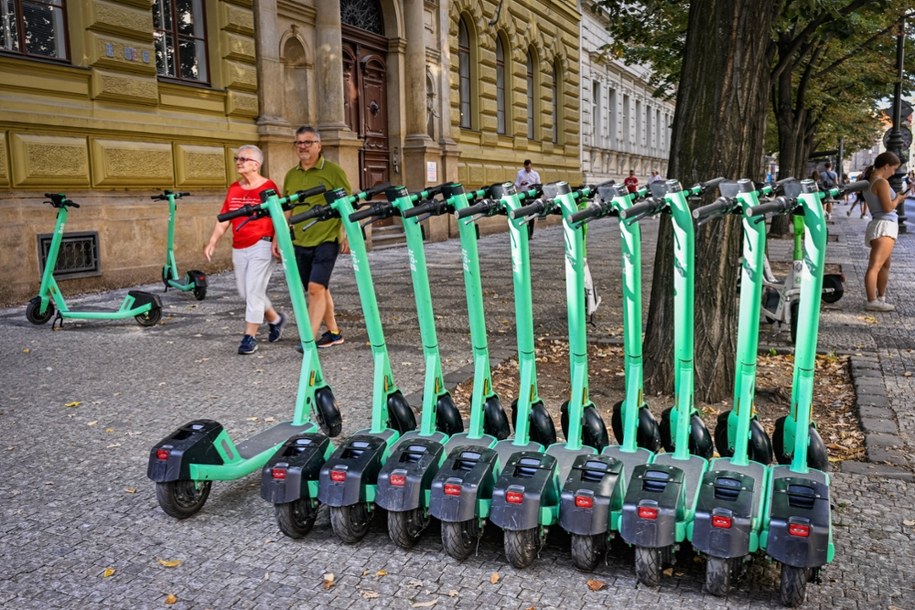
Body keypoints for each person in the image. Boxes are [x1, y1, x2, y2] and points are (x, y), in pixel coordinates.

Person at [204, 145, 286, 355]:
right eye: (237, 158)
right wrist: (212, 241)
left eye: (244, 159)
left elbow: (279, 215)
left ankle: (249, 337)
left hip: (262, 243)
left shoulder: (268, 187)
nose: (239, 162)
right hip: (239, 245)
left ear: (256, 165)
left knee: (254, 290)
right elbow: (225, 218)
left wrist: (277, 240)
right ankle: (275, 319)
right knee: (245, 291)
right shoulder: (234, 188)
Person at [284, 126, 352, 349]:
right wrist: (278, 236)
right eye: (299, 142)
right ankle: (334, 333)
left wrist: (348, 235)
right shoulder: (291, 175)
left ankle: (308, 341)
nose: (302, 146)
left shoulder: (333, 172)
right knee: (319, 288)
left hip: (327, 238)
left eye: (308, 142)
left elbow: (347, 204)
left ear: (319, 145)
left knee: (315, 287)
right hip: (300, 240)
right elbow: (288, 207)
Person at [862, 151, 909, 312]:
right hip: (885, 225)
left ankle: (880, 298)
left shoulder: (869, 181)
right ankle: (872, 300)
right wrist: (898, 199)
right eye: (893, 169)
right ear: (886, 166)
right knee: (876, 266)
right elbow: (888, 207)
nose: (893, 173)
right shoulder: (881, 182)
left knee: (884, 265)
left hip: (878, 223)